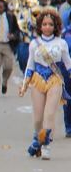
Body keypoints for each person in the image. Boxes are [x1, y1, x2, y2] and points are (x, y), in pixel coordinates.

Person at [19, 9, 71, 160]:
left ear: (56, 26)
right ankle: (38, 142)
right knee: (38, 118)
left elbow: (68, 64)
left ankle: (47, 146)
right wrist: (24, 86)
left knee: (50, 114)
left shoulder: (61, 43)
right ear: (39, 26)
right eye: (44, 24)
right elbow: (30, 66)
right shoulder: (34, 44)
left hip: (55, 80)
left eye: (51, 24)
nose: (48, 27)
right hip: (38, 80)